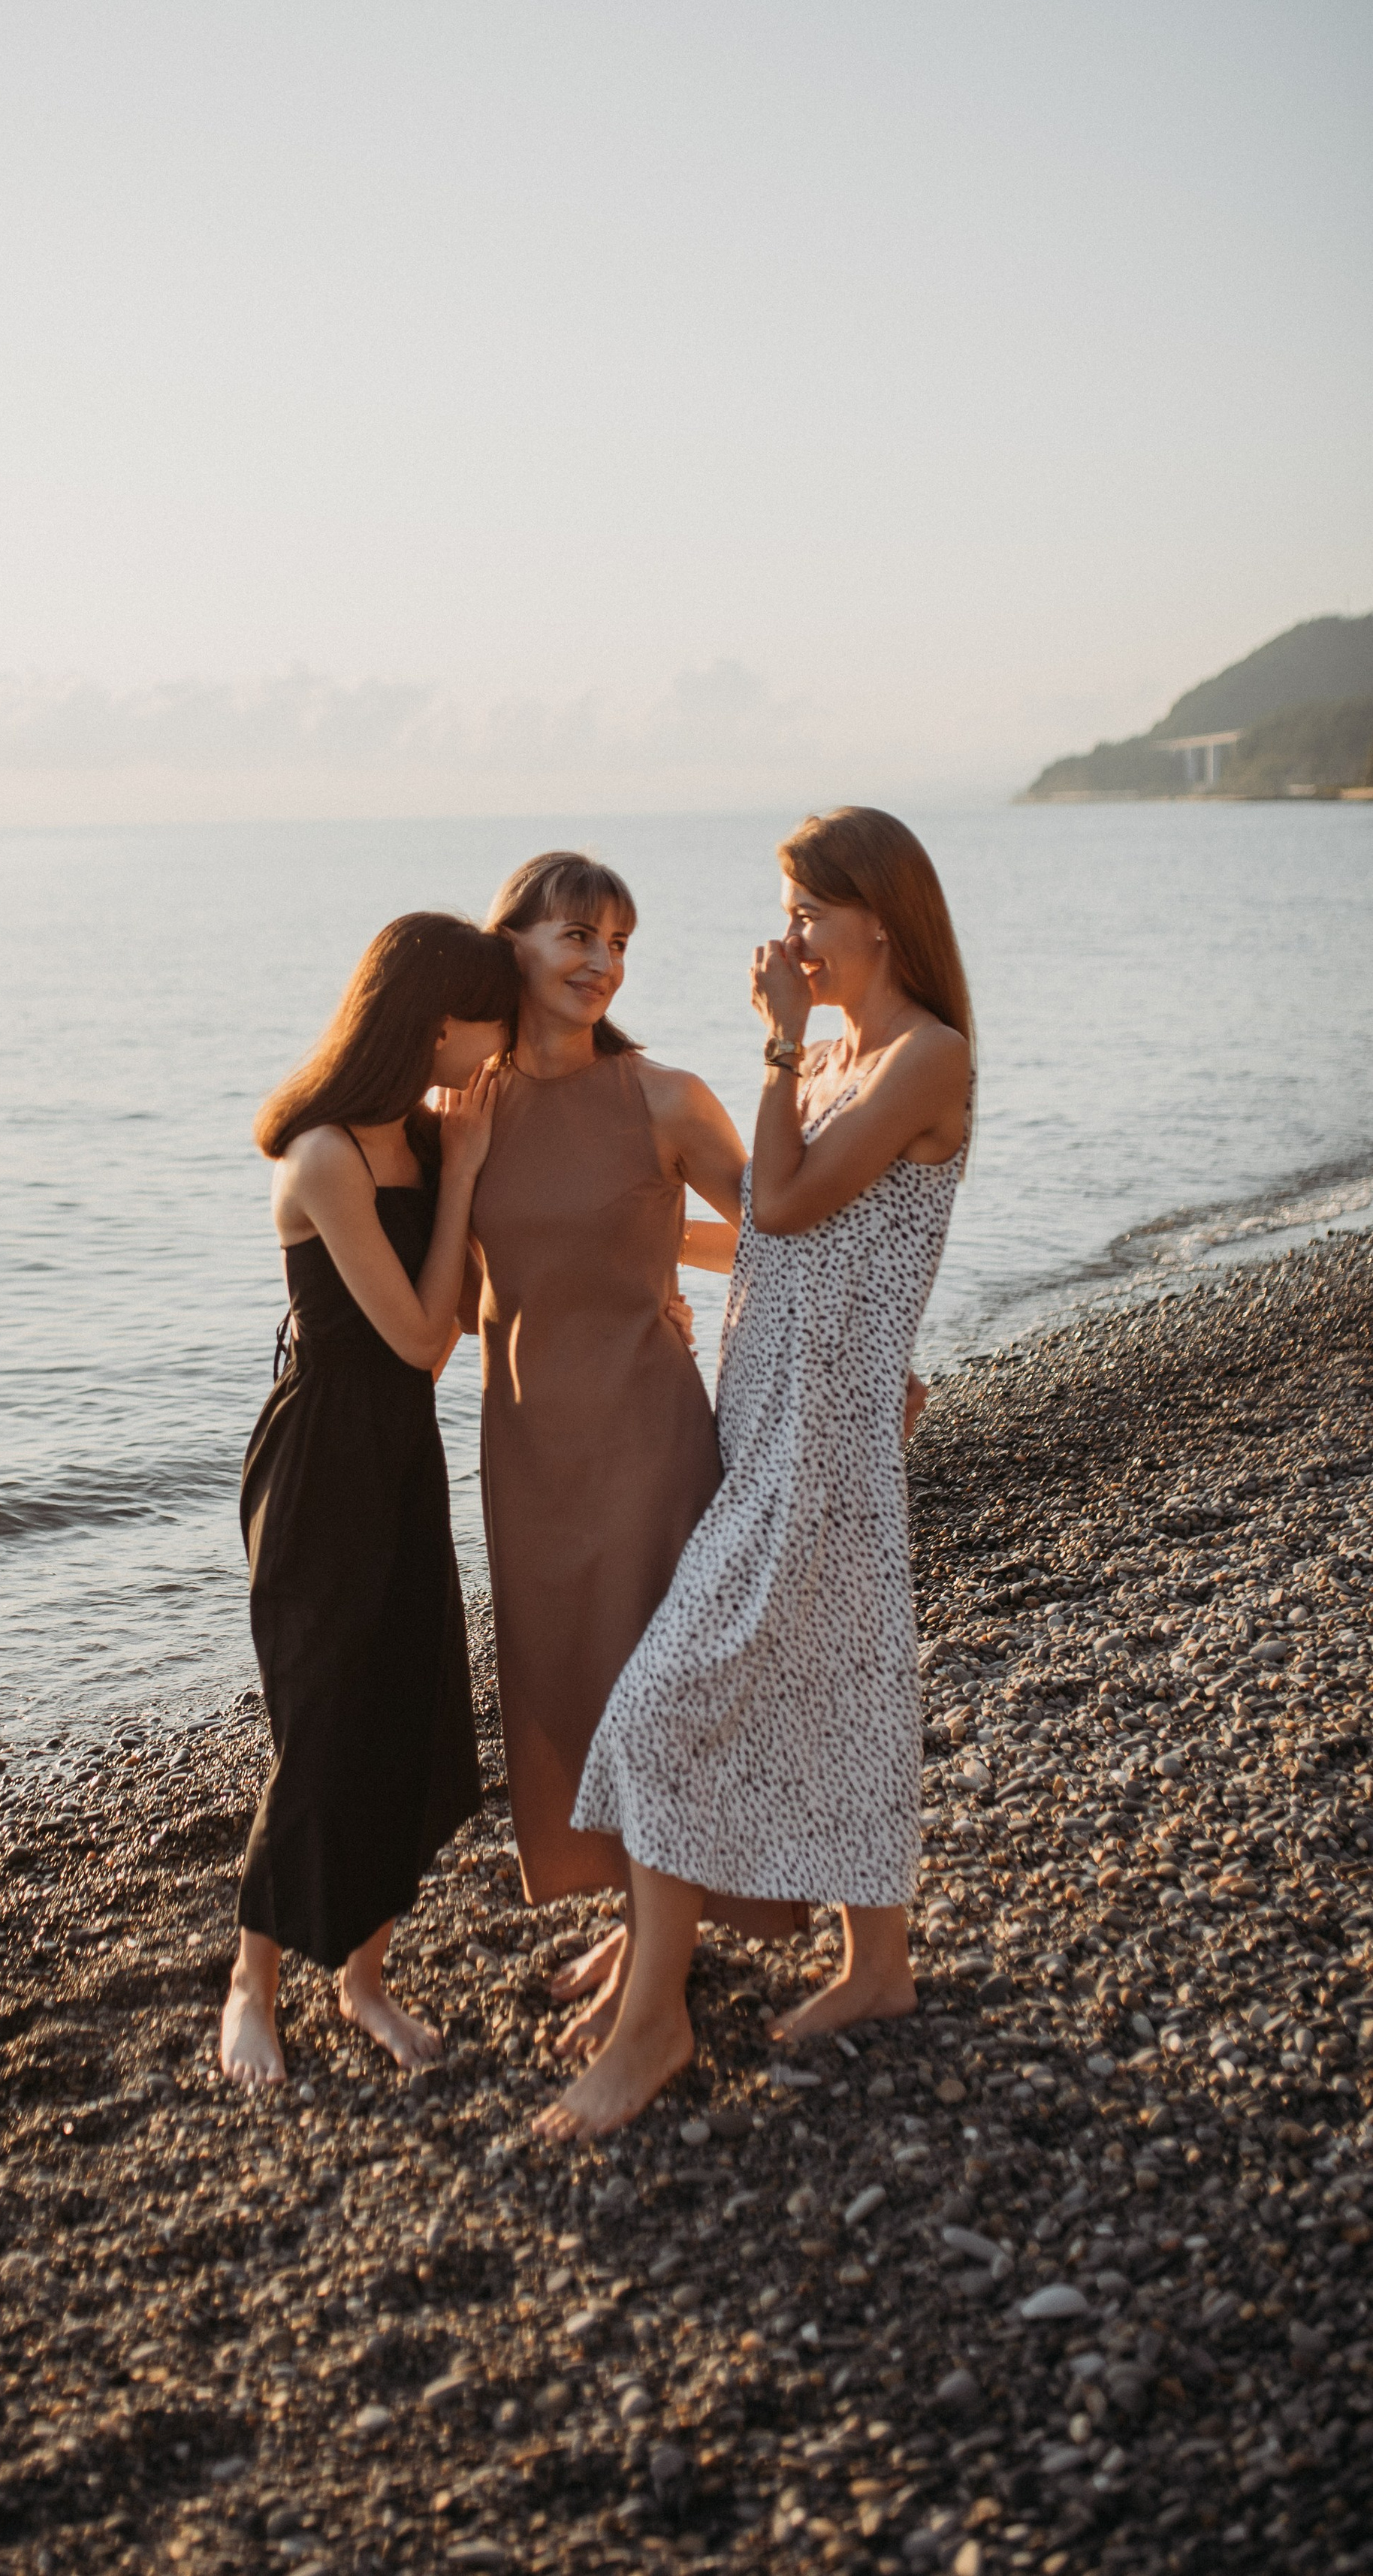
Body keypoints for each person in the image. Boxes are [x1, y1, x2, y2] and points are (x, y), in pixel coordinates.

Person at [537, 807, 973, 2140]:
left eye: (805, 915)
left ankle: (654, 2020)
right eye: (786, 914)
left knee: (669, 1701)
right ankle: (878, 1966)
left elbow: (779, 1202)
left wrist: (776, 1042)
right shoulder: (847, 1056)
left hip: (823, 1428)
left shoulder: (921, 1057)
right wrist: (647, 1275)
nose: (785, 940)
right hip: (775, 1412)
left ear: (875, 919)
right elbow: (785, 1245)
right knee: (846, 1673)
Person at [470, 852, 802, 2055]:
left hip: (645, 1433)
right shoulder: (470, 1103)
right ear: (508, 941)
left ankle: (661, 1960)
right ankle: (642, 1919)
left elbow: (781, 1228)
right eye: (576, 937)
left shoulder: (664, 1096)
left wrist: (859, 1365)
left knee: (657, 1681)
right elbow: (456, 1294)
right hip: (525, 1445)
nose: (602, 963)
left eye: (618, 943)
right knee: (572, 1681)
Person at [219, 912, 517, 2086]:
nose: (502, 1040)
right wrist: (466, 1181)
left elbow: (472, 1304)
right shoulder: (327, 1155)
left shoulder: (433, 1140)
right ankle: (252, 1987)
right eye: (491, 1016)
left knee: (409, 1714)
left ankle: (364, 1983)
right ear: (440, 1021)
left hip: (401, 1462)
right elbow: (416, 1338)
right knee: (321, 1731)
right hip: (321, 1462)